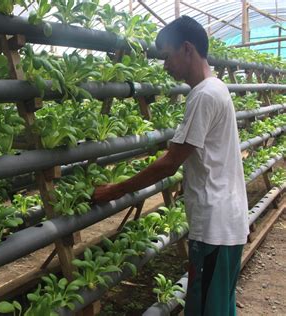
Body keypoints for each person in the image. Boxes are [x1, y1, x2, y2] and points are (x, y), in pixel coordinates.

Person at [92, 16, 249, 316]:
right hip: (227, 222)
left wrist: (114, 189)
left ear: (187, 49)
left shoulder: (202, 95)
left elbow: (170, 162)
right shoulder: (217, 88)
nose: (165, 66)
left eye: (167, 56)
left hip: (215, 229)